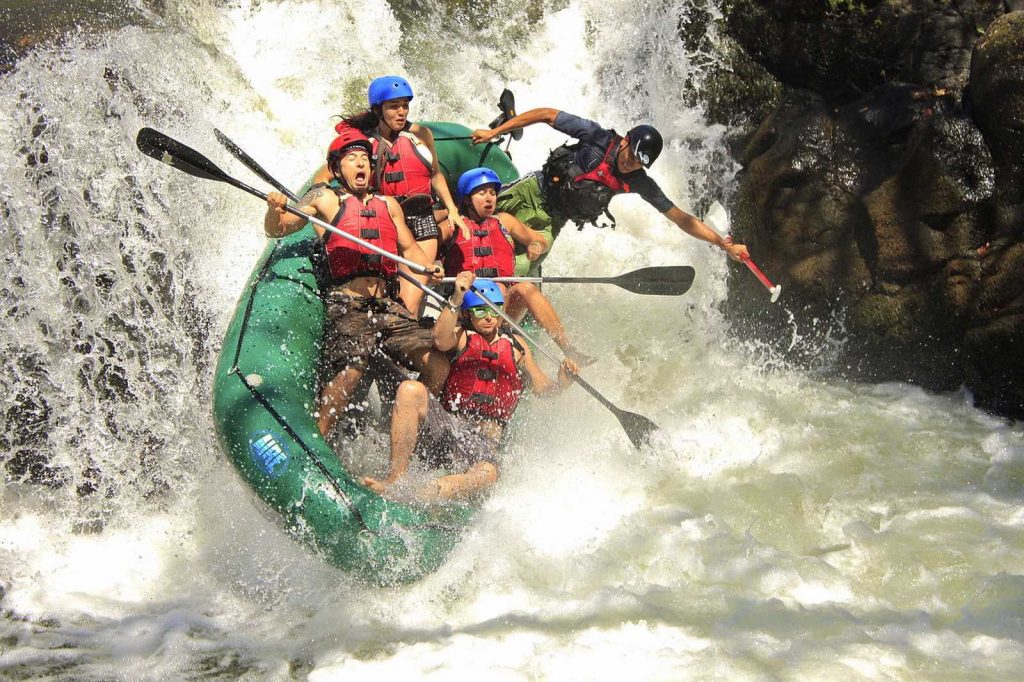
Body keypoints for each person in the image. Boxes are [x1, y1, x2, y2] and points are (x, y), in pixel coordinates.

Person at [264, 125, 448, 439]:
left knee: (437, 362)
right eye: (352, 159)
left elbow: (411, 251)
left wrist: (431, 267)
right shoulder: (324, 198)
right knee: (350, 372)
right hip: (349, 305)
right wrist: (273, 209)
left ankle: (418, 431)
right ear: (337, 168)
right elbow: (278, 229)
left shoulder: (388, 206)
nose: (361, 164)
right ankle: (318, 438)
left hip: (388, 307)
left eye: (364, 158)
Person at [361, 274, 578, 502]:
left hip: (483, 444)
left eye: (494, 310)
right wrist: (457, 296)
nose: (488, 318)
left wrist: (562, 382)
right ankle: (395, 481)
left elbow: (543, 389)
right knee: (410, 389)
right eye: (480, 311)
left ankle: (425, 494)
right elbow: (440, 339)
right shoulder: (462, 336)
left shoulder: (517, 347)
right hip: (448, 427)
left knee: (488, 473)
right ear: (467, 313)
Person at [471, 108, 749, 275]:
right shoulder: (596, 137)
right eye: (632, 154)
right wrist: (495, 132)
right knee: (473, 219)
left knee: (518, 268)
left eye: (640, 162)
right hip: (532, 190)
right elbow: (545, 114)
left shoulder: (638, 181)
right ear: (626, 140)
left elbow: (680, 218)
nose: (631, 163)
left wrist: (724, 244)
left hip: (552, 222)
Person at [312, 75, 466, 315]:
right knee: (388, 292)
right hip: (388, 222)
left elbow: (435, 174)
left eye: (405, 105)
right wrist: (339, 207)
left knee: (409, 302)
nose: (401, 112)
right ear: (378, 110)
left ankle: (409, 327)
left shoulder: (421, 135)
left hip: (422, 221)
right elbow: (322, 178)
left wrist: (453, 210)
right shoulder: (364, 144)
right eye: (394, 106)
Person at [443, 167, 594, 365]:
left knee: (526, 288)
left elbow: (539, 240)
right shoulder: (452, 225)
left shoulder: (504, 221)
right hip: (465, 309)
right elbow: (423, 248)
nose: (490, 198)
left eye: (493, 193)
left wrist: (535, 246)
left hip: (501, 308)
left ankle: (569, 350)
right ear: (466, 199)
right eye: (482, 193)